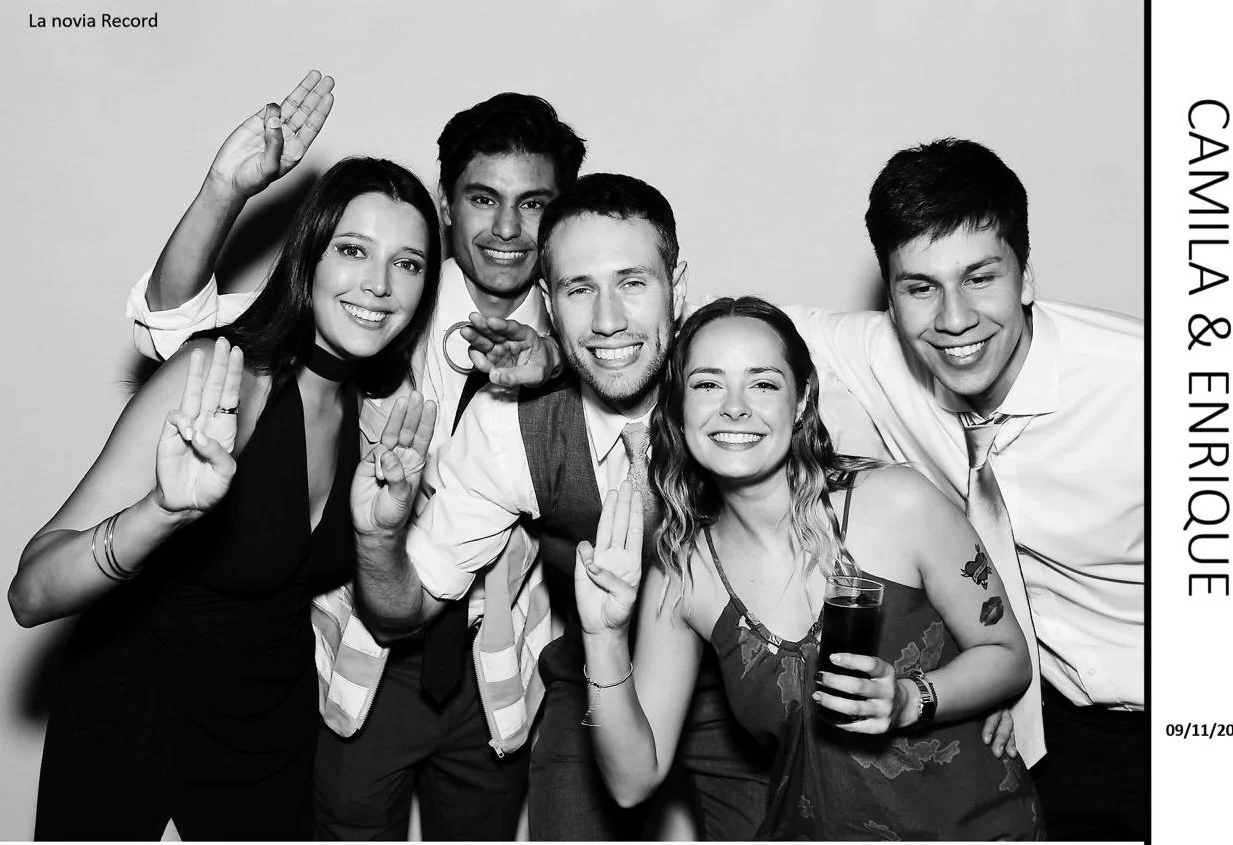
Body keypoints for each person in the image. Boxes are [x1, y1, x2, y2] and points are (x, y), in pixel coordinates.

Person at [127, 73, 587, 839]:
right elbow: (176, 327)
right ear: (446, 203)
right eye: (481, 198)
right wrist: (223, 191)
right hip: (362, 662)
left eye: (534, 203)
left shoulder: (587, 338)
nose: (507, 227)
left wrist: (561, 379)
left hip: (498, 668)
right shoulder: (377, 304)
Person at [9, 126, 442, 838]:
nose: (379, 284)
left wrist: (379, 534)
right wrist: (161, 512)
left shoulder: (379, 415)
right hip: (131, 706)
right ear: (311, 255)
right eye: (354, 250)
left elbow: (388, 598)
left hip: (267, 719)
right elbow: (29, 591)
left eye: (410, 263)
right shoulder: (221, 376)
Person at [355, 173, 778, 840]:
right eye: (581, 289)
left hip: (746, 691)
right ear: (549, 303)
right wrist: (377, 539)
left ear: (679, 285)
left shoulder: (745, 390)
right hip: (591, 687)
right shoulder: (508, 431)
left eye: (633, 282)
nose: (608, 319)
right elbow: (402, 606)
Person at [573, 296, 1043, 840]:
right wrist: (602, 635)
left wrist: (913, 698)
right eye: (706, 384)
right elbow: (633, 781)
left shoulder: (896, 502)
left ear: (800, 402)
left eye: (764, 383)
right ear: (679, 409)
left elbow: (1009, 658)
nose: (734, 406)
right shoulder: (683, 576)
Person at [787, 139, 1146, 841]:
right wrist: (557, 350)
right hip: (1042, 726)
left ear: (1026, 277)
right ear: (891, 298)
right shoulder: (882, 356)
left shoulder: (1147, 388)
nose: (953, 319)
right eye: (920, 287)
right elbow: (726, 337)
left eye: (980, 277)